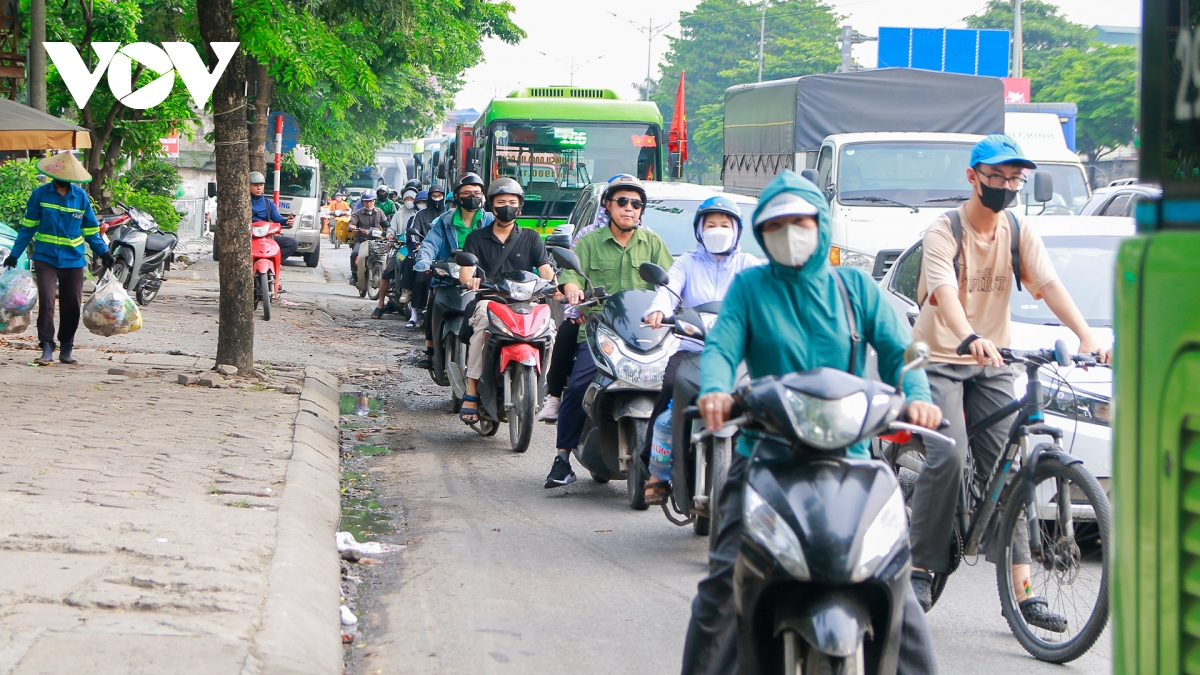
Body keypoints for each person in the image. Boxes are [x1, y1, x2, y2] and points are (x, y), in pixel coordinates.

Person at [684, 170, 943, 675]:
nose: (790, 232)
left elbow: (903, 349)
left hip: (853, 458)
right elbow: (721, 346)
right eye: (777, 224)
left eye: (800, 221)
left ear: (821, 225)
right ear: (761, 232)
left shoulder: (855, 288)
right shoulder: (749, 288)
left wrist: (917, 394)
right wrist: (715, 389)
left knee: (897, 592)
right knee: (720, 592)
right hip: (766, 456)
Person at [906, 134, 1111, 630]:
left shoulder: (1018, 231)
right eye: (995, 177)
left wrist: (1087, 336)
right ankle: (920, 565)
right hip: (938, 356)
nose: (1005, 187)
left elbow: (1049, 286)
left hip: (993, 360)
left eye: (1014, 179)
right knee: (950, 453)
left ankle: (1022, 593)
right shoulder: (944, 231)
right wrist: (969, 335)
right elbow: (944, 292)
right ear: (973, 177)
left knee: (1010, 466)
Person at [545, 174, 674, 488]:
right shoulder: (589, 240)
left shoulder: (653, 242)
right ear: (608, 205)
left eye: (635, 204)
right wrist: (574, 290)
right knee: (578, 386)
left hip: (645, 332)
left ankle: (673, 460)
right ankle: (562, 458)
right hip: (600, 329)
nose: (629, 208)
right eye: (622, 202)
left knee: (673, 386)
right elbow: (570, 275)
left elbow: (670, 283)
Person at [638, 196, 763, 504]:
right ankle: (657, 472)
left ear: (737, 230)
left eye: (724, 224)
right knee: (667, 398)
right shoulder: (687, 263)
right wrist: (657, 311)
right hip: (692, 347)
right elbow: (668, 291)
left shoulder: (749, 265)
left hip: (739, 354)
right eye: (711, 224)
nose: (717, 230)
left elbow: (767, 294)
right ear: (699, 230)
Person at [455, 178, 556, 423]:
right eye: (501, 202)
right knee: (481, 330)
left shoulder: (532, 238)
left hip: (526, 302)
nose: (507, 206)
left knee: (551, 331)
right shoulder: (476, 238)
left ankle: (546, 389)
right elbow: (466, 271)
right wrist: (472, 281)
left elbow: (545, 269)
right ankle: (471, 391)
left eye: (512, 202)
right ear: (491, 205)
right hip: (491, 301)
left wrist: (556, 285)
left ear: (519, 207)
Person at [4, 152, 114, 366]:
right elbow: (28, 228)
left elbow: (91, 231)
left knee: (71, 304)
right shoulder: (40, 195)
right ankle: (46, 346)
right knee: (46, 302)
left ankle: (66, 347)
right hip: (45, 259)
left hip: (73, 260)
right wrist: (14, 254)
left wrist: (104, 252)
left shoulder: (80, 198)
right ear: (52, 174)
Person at [413, 173, 494, 369]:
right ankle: (431, 349)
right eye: (466, 193)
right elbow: (430, 244)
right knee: (433, 302)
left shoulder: (490, 220)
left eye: (476, 192)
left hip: (480, 277)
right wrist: (424, 263)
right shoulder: (444, 221)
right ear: (457, 196)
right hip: (449, 274)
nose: (472, 196)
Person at [399, 185, 446, 328]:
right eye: (434, 196)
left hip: (443, 256)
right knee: (420, 279)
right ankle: (413, 315)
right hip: (424, 254)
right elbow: (413, 234)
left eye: (440, 196)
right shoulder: (421, 215)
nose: (437, 199)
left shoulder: (448, 215)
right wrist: (417, 247)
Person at [249, 171, 298, 298]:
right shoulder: (243, 202)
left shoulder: (268, 203)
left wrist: (287, 220)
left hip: (265, 238)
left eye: (261, 185)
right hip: (248, 238)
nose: (259, 188)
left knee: (292, 243)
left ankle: (274, 264)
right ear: (248, 186)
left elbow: (278, 218)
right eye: (255, 185)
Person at [348, 191, 387, 286]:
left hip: (377, 240)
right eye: (366, 201)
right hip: (362, 240)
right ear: (362, 202)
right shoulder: (358, 213)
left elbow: (386, 223)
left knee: (386, 256)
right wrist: (352, 226)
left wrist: (388, 232)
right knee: (355, 254)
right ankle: (354, 275)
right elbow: (351, 222)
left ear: (374, 201)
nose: (368, 203)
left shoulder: (379, 212)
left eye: (371, 201)